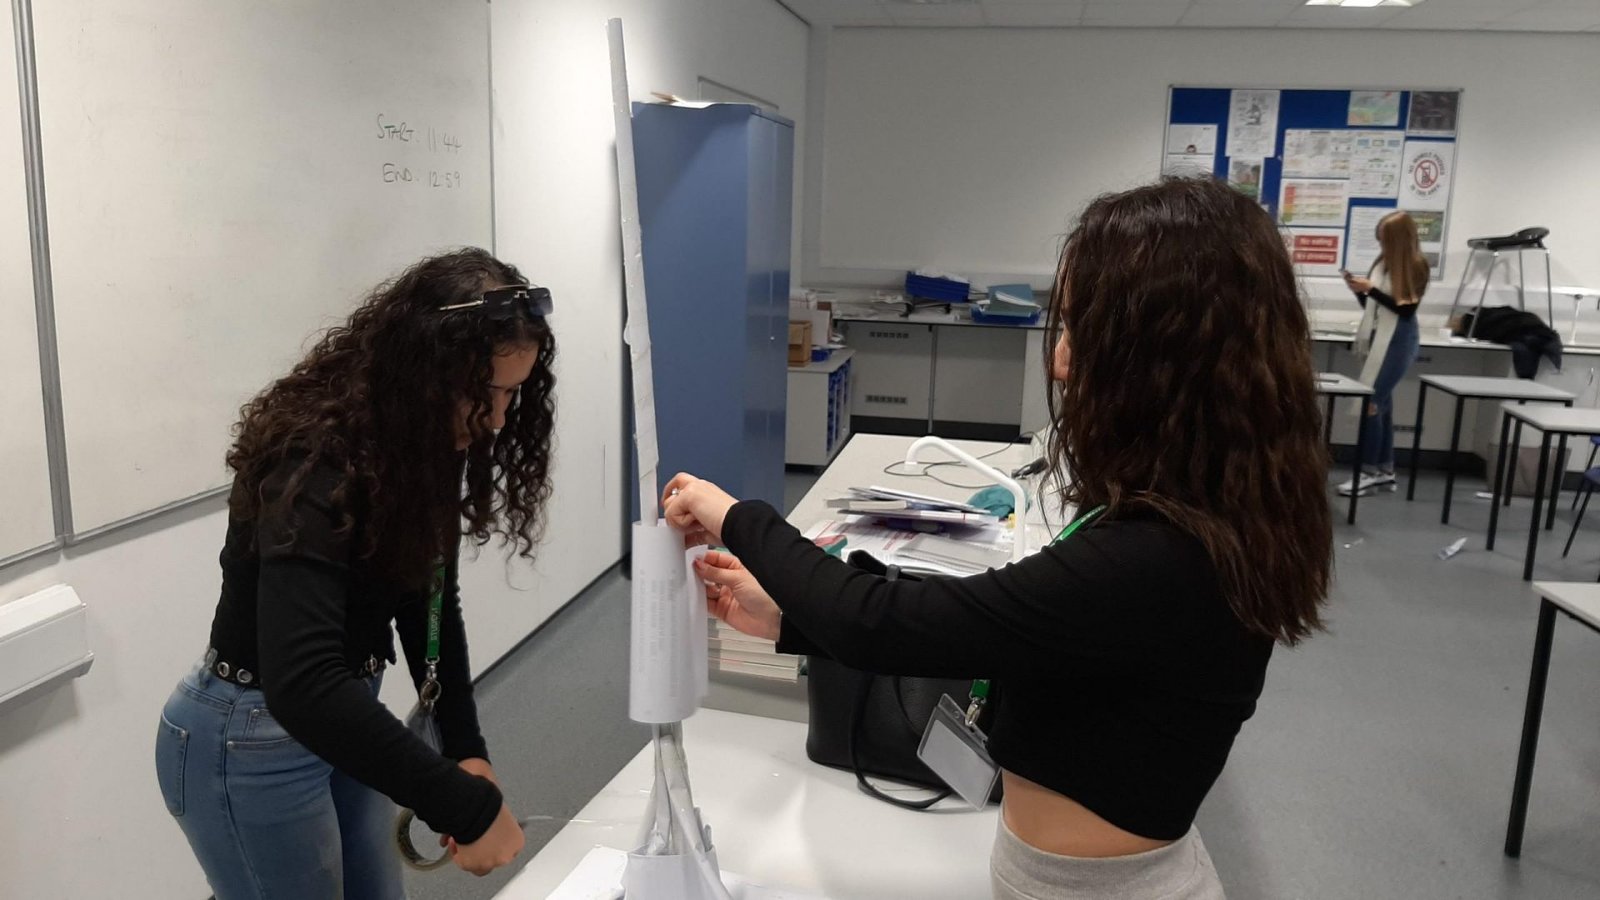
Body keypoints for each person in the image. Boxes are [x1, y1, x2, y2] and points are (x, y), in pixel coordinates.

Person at [663, 177, 1332, 900]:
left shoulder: (1160, 556)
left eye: (1081, 332)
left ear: (1165, 360)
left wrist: (741, 517)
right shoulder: (1199, 514)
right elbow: (1002, 624)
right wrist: (791, 621)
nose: (1061, 362)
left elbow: (884, 626)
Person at [154, 248, 557, 898]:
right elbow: (304, 682)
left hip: (345, 714)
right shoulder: (313, 461)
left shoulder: (423, 440)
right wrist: (468, 808)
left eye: (514, 395)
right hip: (251, 734)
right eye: (489, 396)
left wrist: (464, 747)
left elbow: (430, 599)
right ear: (428, 373)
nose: (501, 421)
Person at [1340, 211, 1429, 496]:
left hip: (1400, 339)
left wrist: (1372, 291)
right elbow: (1374, 305)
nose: (1381, 247)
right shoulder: (1383, 263)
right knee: (1383, 406)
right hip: (1381, 335)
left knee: (1372, 403)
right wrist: (1359, 291)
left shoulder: (1416, 265)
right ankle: (1385, 470)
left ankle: (1366, 471)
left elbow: (1405, 310)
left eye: (1385, 241)